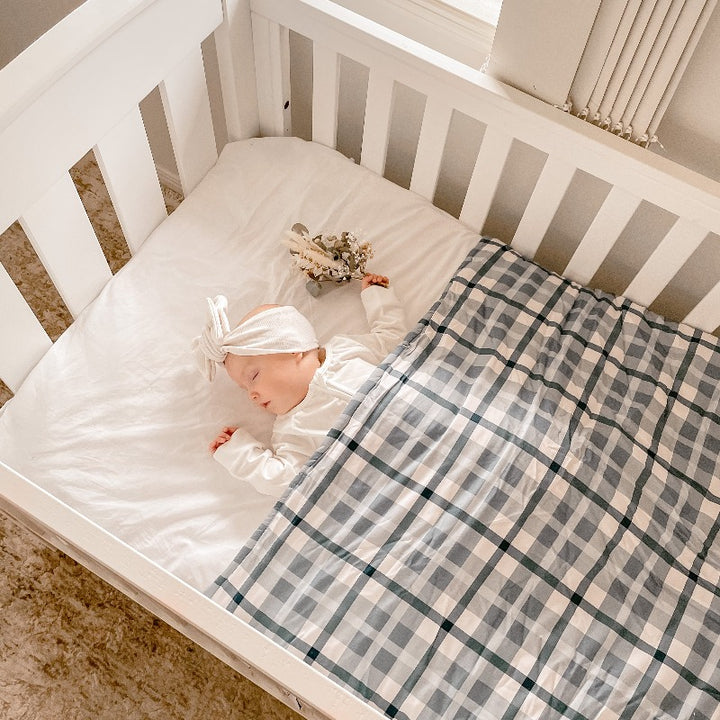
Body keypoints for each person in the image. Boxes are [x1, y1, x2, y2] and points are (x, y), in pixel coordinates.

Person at [192, 273, 407, 499]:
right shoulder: (291, 429)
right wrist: (241, 454)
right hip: (386, 481)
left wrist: (378, 297)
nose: (252, 395)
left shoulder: (347, 351)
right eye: (245, 390)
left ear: (292, 348)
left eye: (253, 376)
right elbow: (287, 480)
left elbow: (392, 340)